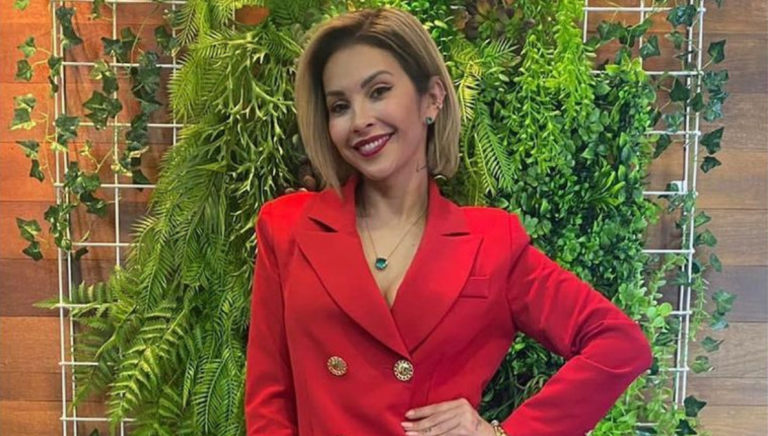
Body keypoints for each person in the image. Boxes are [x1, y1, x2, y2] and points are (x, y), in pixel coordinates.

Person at [244, 6, 653, 436]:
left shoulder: (491, 242)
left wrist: (500, 434)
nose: (360, 120)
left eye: (379, 91)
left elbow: (618, 344)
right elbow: (269, 400)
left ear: (432, 99)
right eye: (340, 106)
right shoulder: (287, 227)